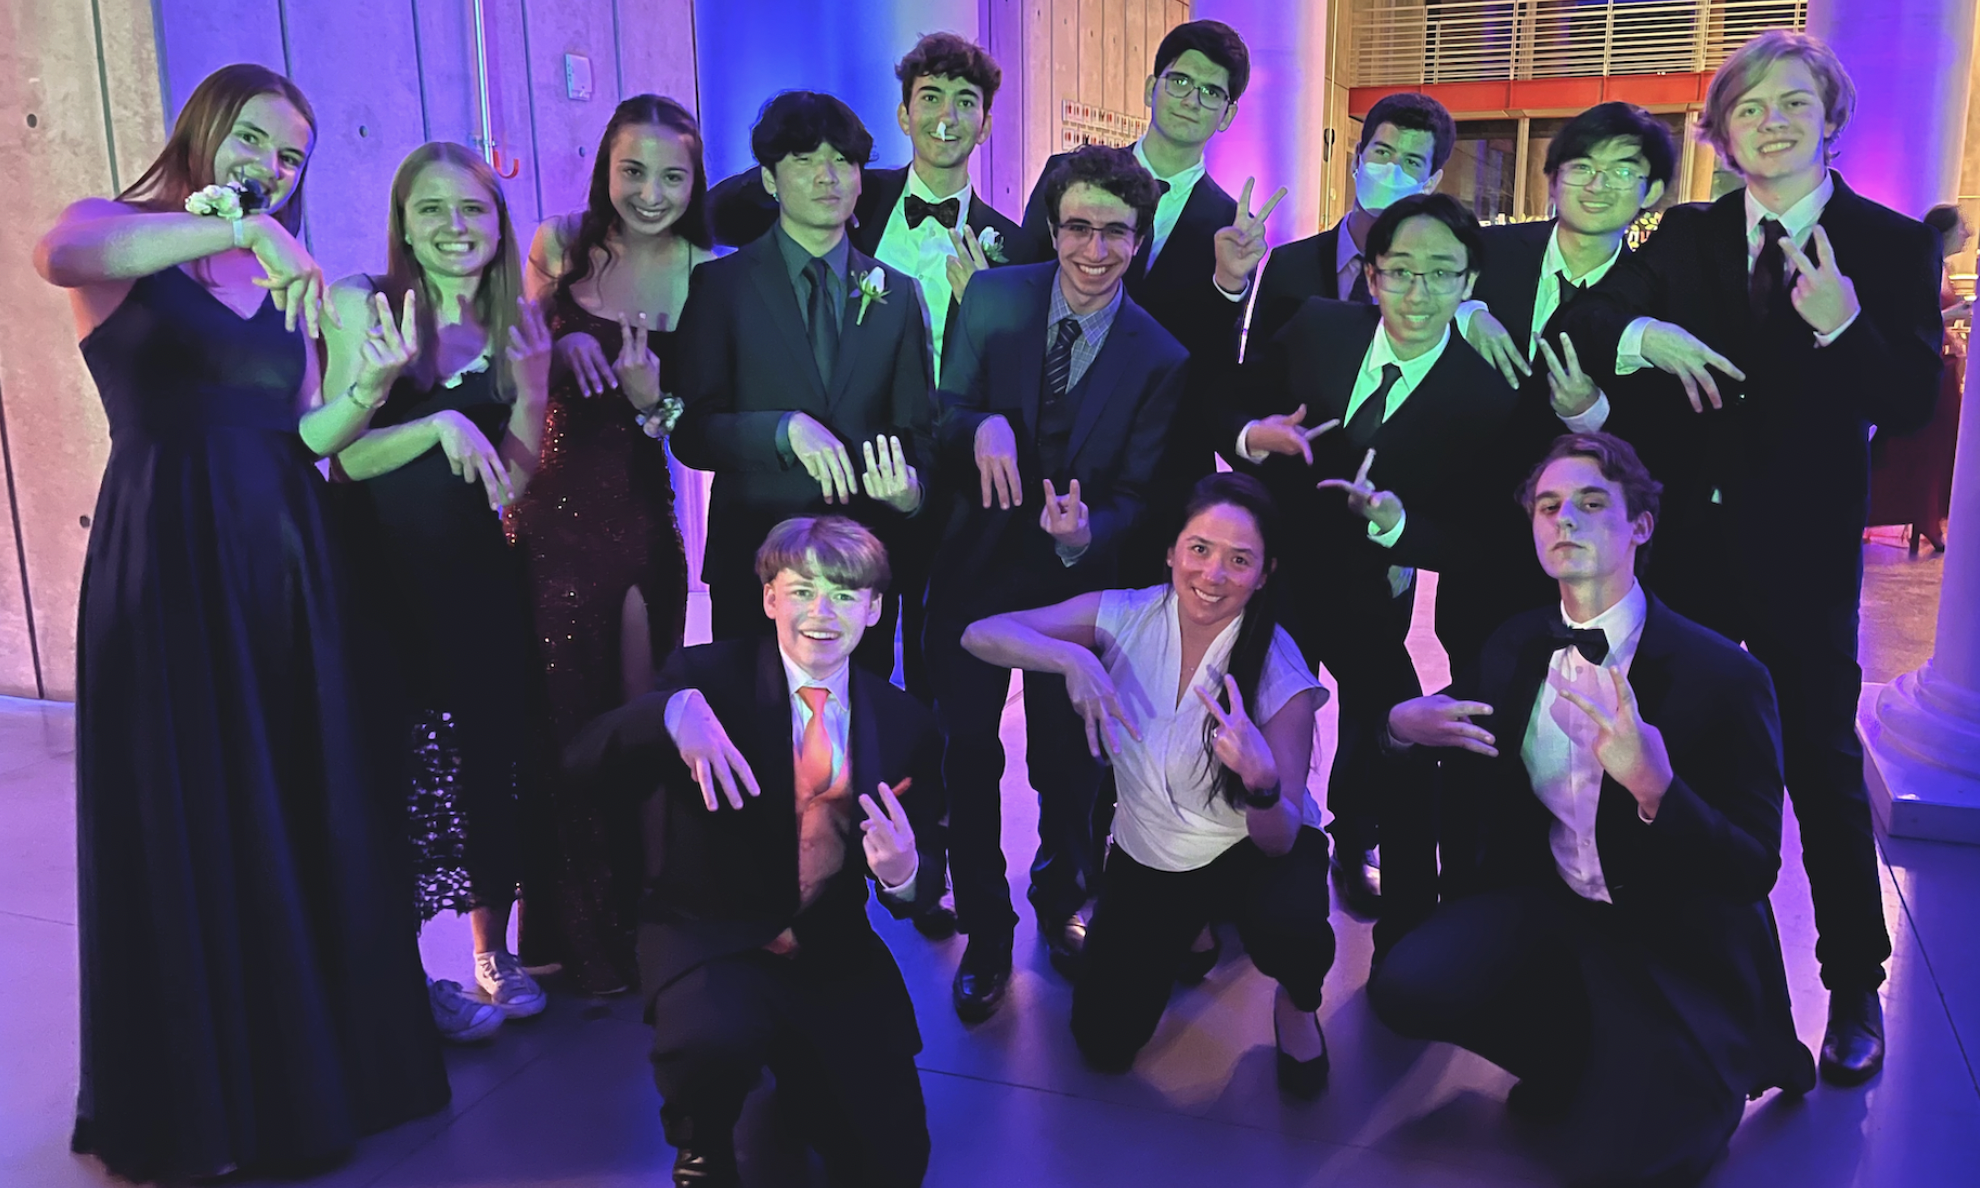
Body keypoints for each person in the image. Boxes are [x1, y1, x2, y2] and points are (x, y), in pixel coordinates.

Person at [34, 63, 449, 1181]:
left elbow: (302, 434)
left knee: (297, 800)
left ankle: (315, 1075)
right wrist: (242, 231)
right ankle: (199, 1102)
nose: (273, 167)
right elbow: (60, 255)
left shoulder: (286, 276)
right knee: (189, 803)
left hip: (286, 561)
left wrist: (366, 390)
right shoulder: (120, 233)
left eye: (292, 157)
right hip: (167, 550)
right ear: (206, 129)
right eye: (255, 140)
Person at [1557, 29, 1943, 1084]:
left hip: (1802, 553)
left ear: (1830, 119)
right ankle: (1661, 962)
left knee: (1819, 760)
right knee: (1658, 752)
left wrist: (1845, 325)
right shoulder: (1680, 232)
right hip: (1683, 544)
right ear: (1721, 133)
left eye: (1794, 103)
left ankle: (1853, 981)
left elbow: (1912, 403)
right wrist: (1646, 338)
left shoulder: (1890, 244)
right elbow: (1591, 315)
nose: (1771, 123)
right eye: (1749, 107)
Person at [1371, 432, 1816, 1187]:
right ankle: (1575, 1059)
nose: (1564, 520)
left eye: (1590, 502)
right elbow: (1449, 720)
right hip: (1557, 905)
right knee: (1406, 986)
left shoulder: (1726, 677)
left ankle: (1699, 1071)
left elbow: (1751, 868)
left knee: (1621, 1171)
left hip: (1674, 942)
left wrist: (1656, 789)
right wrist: (1396, 727)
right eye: (1548, 506)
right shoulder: (1514, 645)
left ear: (1640, 525)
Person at [563, 516, 945, 1188]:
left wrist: (904, 874)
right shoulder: (706, 678)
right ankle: (701, 1136)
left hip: (828, 945)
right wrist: (667, 714)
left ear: (874, 609)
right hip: (712, 931)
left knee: (893, 1163)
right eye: (801, 591)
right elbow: (582, 764)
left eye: (844, 595)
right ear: (770, 598)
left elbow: (926, 865)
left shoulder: (904, 720)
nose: (821, 613)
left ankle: (803, 1081)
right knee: (710, 1043)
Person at [960, 473, 1336, 1093]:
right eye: (1200, 549)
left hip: (1246, 849)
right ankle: (1195, 927)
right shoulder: (1126, 616)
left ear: (1265, 574)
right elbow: (981, 634)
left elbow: (1279, 839)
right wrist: (1070, 657)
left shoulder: (1278, 668)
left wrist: (1262, 780)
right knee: (1102, 1043)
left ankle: (1297, 1000)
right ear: (1170, 551)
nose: (1213, 574)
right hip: (1153, 853)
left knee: (1290, 926)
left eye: (1239, 560)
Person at [926, 144, 1187, 1020]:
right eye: (1078, 227)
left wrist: (1085, 535)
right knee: (968, 757)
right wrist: (981, 426)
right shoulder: (993, 298)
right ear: (1052, 225)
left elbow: (1138, 496)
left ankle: (1062, 896)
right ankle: (986, 932)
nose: (1094, 250)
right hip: (971, 571)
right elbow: (941, 418)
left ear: (1140, 238)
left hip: (1074, 588)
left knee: (1068, 764)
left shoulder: (1160, 355)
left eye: (1116, 232)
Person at [1234, 192, 1514, 922]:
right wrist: (1253, 433)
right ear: (1371, 275)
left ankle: (1369, 860)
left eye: (1441, 273)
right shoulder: (1318, 327)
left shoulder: (1489, 398)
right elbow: (1232, 399)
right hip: (1268, 571)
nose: (1418, 293)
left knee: (1388, 726)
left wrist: (1400, 528)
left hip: (1366, 585)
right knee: (1246, 709)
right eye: (1400, 270)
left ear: (1469, 283)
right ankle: (1241, 857)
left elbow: (1485, 537)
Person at [330, 141, 556, 1026]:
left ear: (498, 225)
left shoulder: (515, 323)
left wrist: (530, 392)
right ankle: (405, 978)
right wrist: (437, 426)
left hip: (472, 577)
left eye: (473, 209)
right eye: (432, 209)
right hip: (375, 581)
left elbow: (513, 483)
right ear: (404, 224)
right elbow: (343, 459)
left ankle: (491, 954)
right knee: (392, 770)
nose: (454, 226)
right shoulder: (366, 305)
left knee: (487, 763)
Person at [510, 94, 712, 995]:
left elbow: (697, 420)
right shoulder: (557, 245)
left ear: (696, 181)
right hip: (545, 516)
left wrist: (650, 403)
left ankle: (648, 914)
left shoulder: (709, 274)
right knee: (556, 714)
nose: (651, 192)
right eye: (633, 170)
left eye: (673, 175)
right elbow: (514, 362)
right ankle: (568, 931)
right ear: (605, 168)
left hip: (638, 514)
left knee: (639, 714)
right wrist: (553, 357)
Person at [671, 90, 936, 682]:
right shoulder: (721, 287)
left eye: (842, 160)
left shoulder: (896, 295)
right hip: (754, 561)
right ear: (770, 179)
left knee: (855, 725)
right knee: (752, 721)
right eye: (804, 160)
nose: (826, 176)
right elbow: (691, 432)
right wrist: (782, 430)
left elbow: (919, 434)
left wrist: (910, 493)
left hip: (857, 571)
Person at [1020, 19, 1278, 584]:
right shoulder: (1068, 175)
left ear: (1227, 114)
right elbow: (1028, 288)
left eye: (1211, 91)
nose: (1192, 99)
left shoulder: (1231, 223)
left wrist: (1228, 284)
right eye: (1179, 80)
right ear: (1150, 87)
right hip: (1051, 447)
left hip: (1155, 468)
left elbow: (1208, 366)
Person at [1435, 101, 1677, 673]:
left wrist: (1591, 413)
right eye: (1582, 167)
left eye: (1622, 171)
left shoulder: (1660, 295)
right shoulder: (1487, 255)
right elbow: (1409, 315)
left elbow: (1664, 435)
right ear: (1553, 178)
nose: (1598, 184)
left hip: (1584, 548)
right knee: (1474, 680)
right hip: (1476, 533)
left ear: (1650, 191)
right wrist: (1465, 311)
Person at [1249, 92, 1455, 350]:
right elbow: (1258, 367)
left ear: (1431, 183)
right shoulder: (1288, 265)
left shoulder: (1438, 285)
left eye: (1411, 161)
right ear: (1357, 158)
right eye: (1382, 152)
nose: (1391, 170)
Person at [1868, 201, 1968, 553]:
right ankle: (1908, 514)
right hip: (1928, 366)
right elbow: (1916, 317)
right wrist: (1956, 314)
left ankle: (1927, 517)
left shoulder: (1941, 267)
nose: (1968, 233)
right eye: (1962, 227)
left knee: (1937, 446)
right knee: (1920, 444)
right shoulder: (1922, 265)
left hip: (1945, 364)